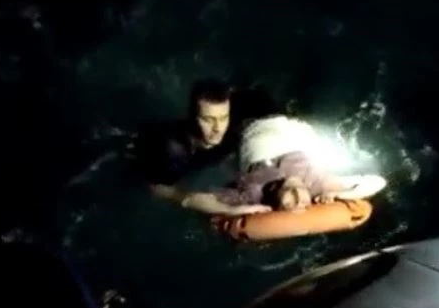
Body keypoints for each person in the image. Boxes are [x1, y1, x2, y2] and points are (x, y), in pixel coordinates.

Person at [133, 78, 277, 216]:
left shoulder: (234, 120)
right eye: (208, 120)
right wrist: (228, 210)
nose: (218, 128)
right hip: (142, 152)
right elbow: (158, 189)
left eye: (223, 118)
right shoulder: (175, 150)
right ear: (193, 117)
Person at [205, 115, 388, 215]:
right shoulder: (318, 185)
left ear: (276, 204)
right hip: (295, 121)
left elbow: (202, 199)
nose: (299, 202)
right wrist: (340, 195)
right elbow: (377, 182)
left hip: (251, 124)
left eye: (289, 206)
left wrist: (230, 210)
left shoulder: (254, 194)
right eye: (303, 204)